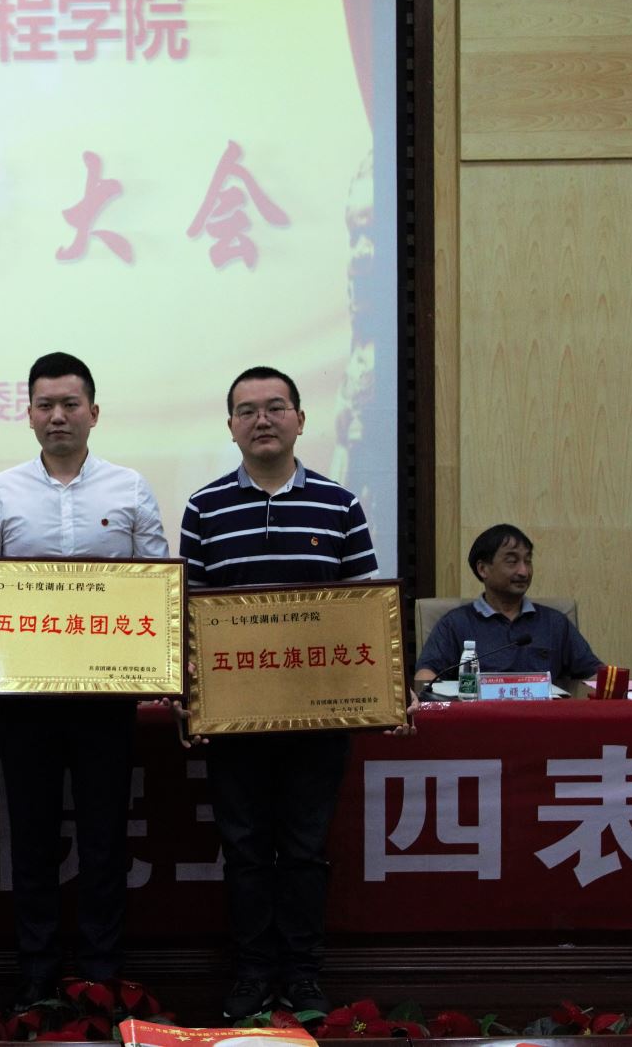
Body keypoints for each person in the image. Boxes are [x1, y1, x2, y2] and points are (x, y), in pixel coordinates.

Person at [0, 352, 168, 1011]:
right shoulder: (4, 491)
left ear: (93, 412)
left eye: (70, 404)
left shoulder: (130, 488)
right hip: (27, 701)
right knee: (33, 838)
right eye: (45, 405)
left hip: (106, 700)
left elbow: (159, 586)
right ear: (29, 415)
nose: (57, 416)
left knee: (105, 839)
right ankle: (38, 973)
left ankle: (101, 973)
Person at [180, 365, 377, 1020]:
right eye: (247, 410)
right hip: (235, 719)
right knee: (243, 851)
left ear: (299, 418)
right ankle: (251, 973)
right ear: (230, 426)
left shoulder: (340, 504)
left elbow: (364, 613)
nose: (261, 420)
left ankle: (303, 974)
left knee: (304, 850)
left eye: (275, 407)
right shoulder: (203, 508)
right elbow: (190, 615)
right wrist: (192, 694)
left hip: (318, 717)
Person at [413, 524, 602, 690]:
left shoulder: (554, 622)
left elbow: (594, 674)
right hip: (480, 717)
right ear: (483, 569)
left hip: (543, 717)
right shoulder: (456, 623)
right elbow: (425, 676)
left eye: (528, 561)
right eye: (512, 562)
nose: (524, 571)